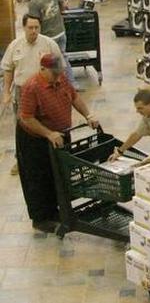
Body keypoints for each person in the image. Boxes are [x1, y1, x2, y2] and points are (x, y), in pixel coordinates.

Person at [17, 52, 98, 232]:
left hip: (60, 134)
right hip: (35, 138)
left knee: (58, 174)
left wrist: (88, 115)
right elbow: (27, 118)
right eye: (53, 73)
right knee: (39, 177)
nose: (57, 76)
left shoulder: (61, 79)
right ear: (42, 69)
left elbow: (74, 98)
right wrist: (48, 134)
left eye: (58, 72)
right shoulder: (31, 87)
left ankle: (56, 210)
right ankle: (41, 218)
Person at [2, 14, 65, 175]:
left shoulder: (49, 44)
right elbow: (8, 69)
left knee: (47, 124)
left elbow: (60, 68)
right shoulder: (15, 46)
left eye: (37, 27)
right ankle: (21, 161)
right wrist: (6, 93)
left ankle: (52, 158)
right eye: (30, 28)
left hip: (45, 92)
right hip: (22, 92)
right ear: (24, 28)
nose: (34, 31)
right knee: (23, 128)